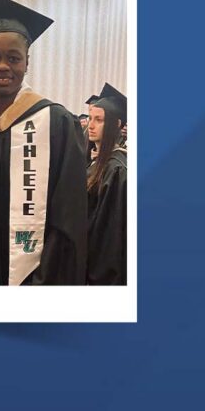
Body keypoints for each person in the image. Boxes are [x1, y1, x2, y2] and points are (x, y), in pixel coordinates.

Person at [0, 0, 88, 285]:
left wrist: (46, 280)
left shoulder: (56, 123)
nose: (2, 66)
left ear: (27, 62)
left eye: (13, 58)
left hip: (40, 277)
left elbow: (69, 216)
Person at [86, 83, 127, 285]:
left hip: (100, 272)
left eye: (99, 120)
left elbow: (110, 237)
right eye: (91, 119)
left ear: (117, 123)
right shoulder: (99, 163)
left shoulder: (116, 170)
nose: (90, 125)